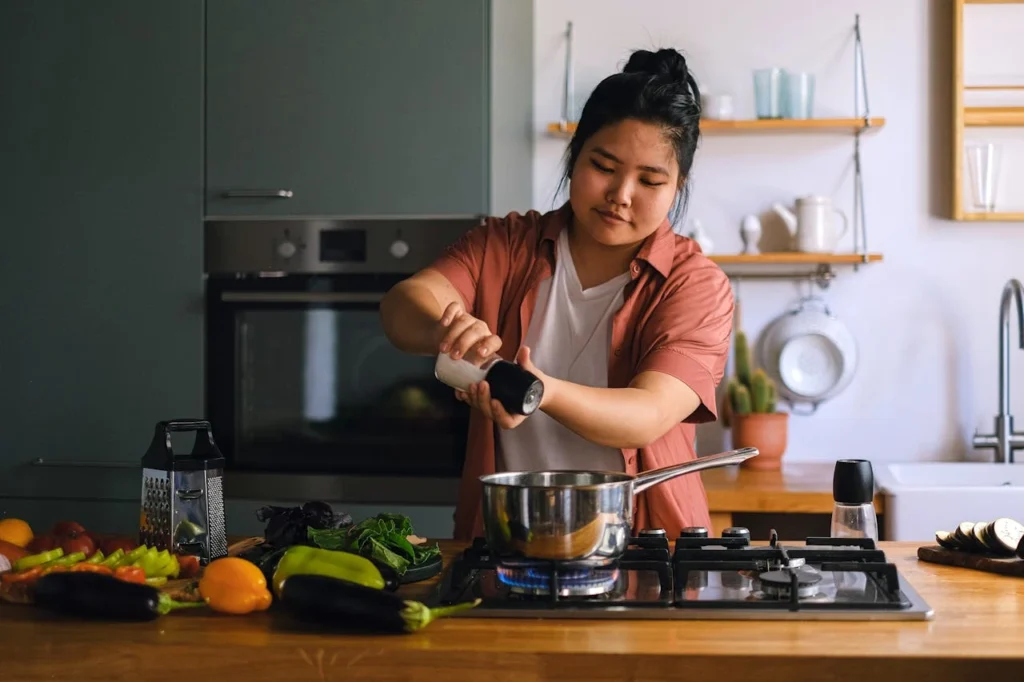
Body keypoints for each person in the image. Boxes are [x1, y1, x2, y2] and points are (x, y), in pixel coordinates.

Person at [380, 47, 734, 541]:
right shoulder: (505, 244)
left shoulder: (695, 284)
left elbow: (647, 415)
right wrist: (447, 327)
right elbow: (403, 306)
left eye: (650, 179)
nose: (621, 194)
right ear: (574, 156)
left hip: (645, 545)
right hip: (507, 536)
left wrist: (535, 390)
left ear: (677, 187)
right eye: (604, 166)